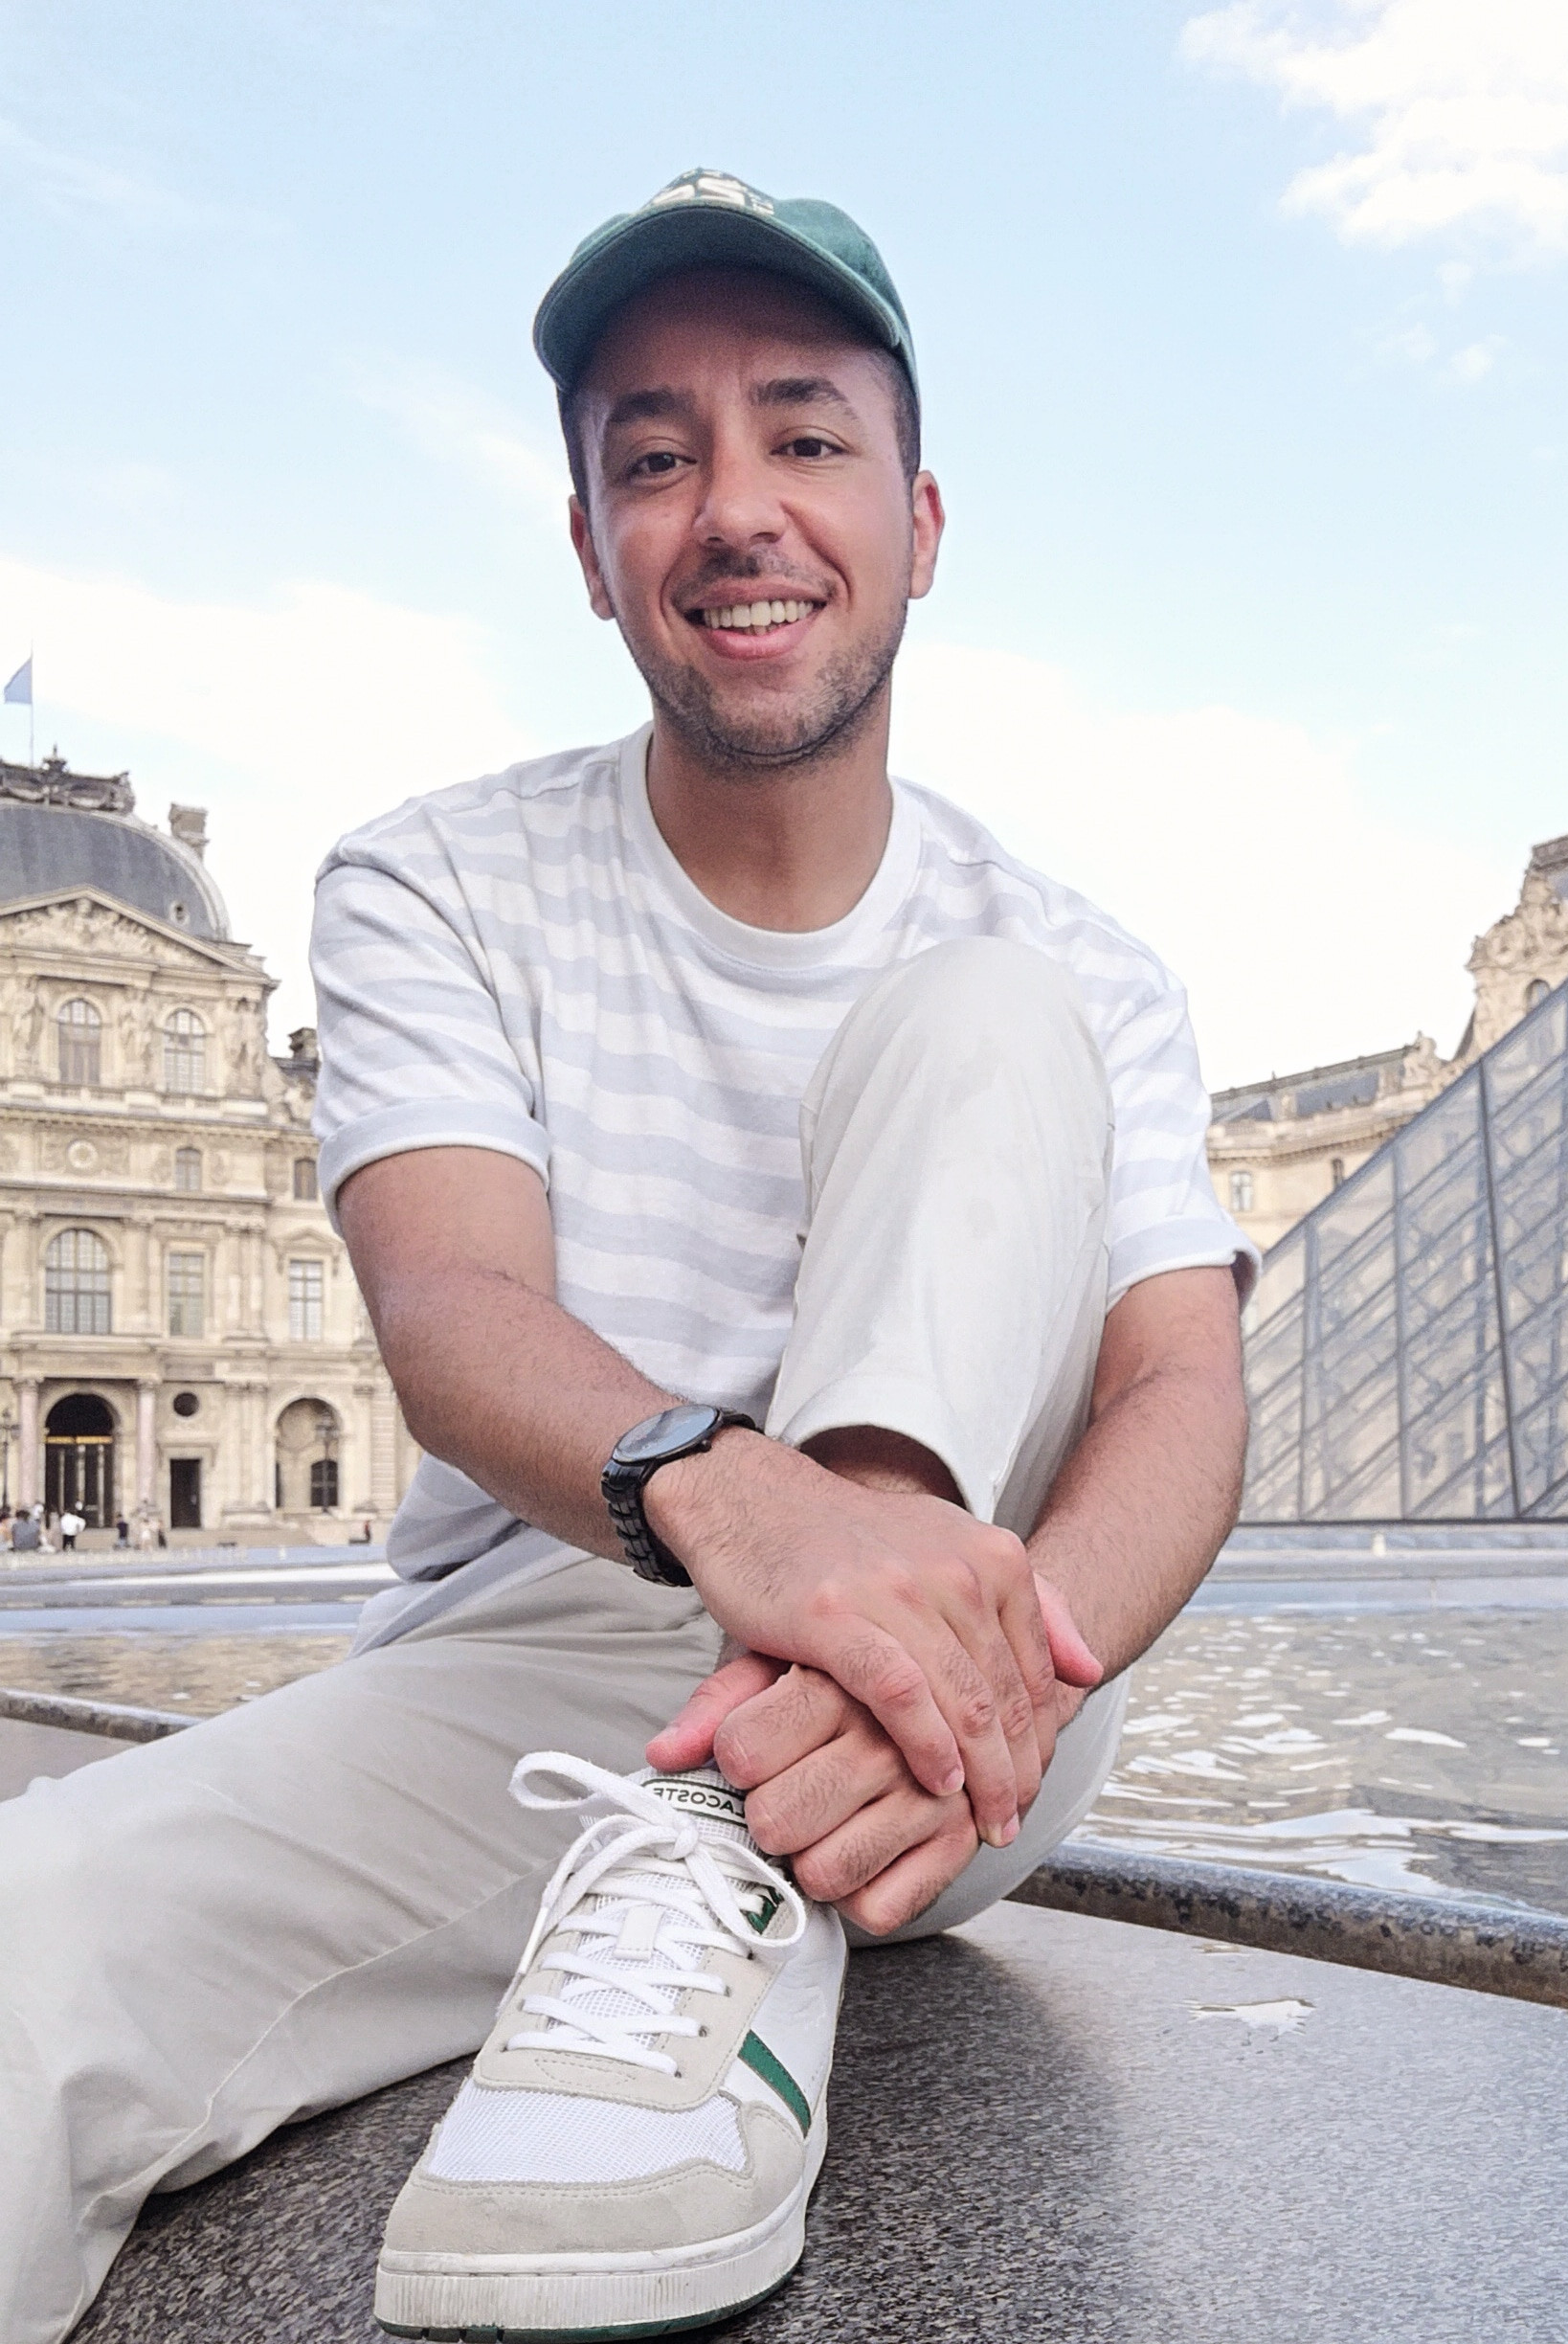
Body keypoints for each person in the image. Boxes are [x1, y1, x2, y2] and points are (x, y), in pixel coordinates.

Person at [0, 169, 1253, 2344]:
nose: (734, 506)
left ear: (919, 521)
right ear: (592, 550)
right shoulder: (431, 879)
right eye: (655, 459)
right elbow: (449, 1302)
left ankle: (733, 1863)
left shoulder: (1087, 965)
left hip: (1001, 1675)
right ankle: (719, 1859)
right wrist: (736, 1504)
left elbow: (1180, 1390)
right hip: (531, 1665)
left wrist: (975, 1660)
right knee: (37, 1939)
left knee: (989, 1017)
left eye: (803, 435)